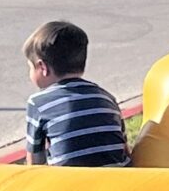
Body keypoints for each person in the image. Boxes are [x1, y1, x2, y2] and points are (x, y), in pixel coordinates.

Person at [23, 19, 130, 167]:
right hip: (119, 181)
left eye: (30, 66)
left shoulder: (38, 103)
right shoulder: (106, 97)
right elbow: (124, 147)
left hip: (73, 185)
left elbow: (34, 163)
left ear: (42, 67)